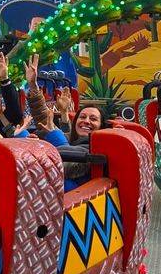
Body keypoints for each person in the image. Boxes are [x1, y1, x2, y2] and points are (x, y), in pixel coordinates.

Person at [26, 54, 105, 191]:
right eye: (82, 117)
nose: (86, 121)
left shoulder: (93, 147)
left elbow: (63, 162)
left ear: (101, 127)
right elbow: (46, 121)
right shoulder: (74, 140)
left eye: (93, 119)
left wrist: (22, 138)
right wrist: (33, 85)